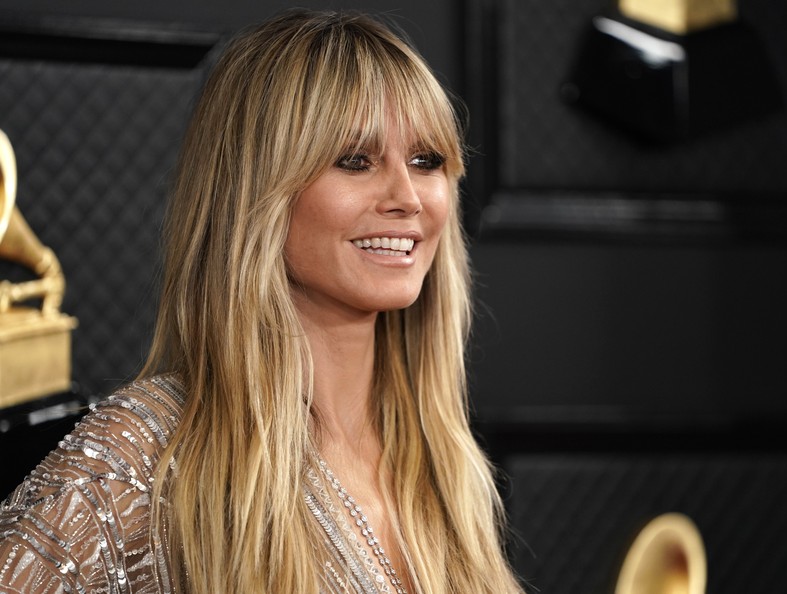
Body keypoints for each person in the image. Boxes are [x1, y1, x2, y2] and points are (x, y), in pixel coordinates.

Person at [0, 8, 524, 594]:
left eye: (426, 161)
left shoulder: (443, 460)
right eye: (355, 160)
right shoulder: (145, 454)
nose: (407, 197)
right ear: (254, 188)